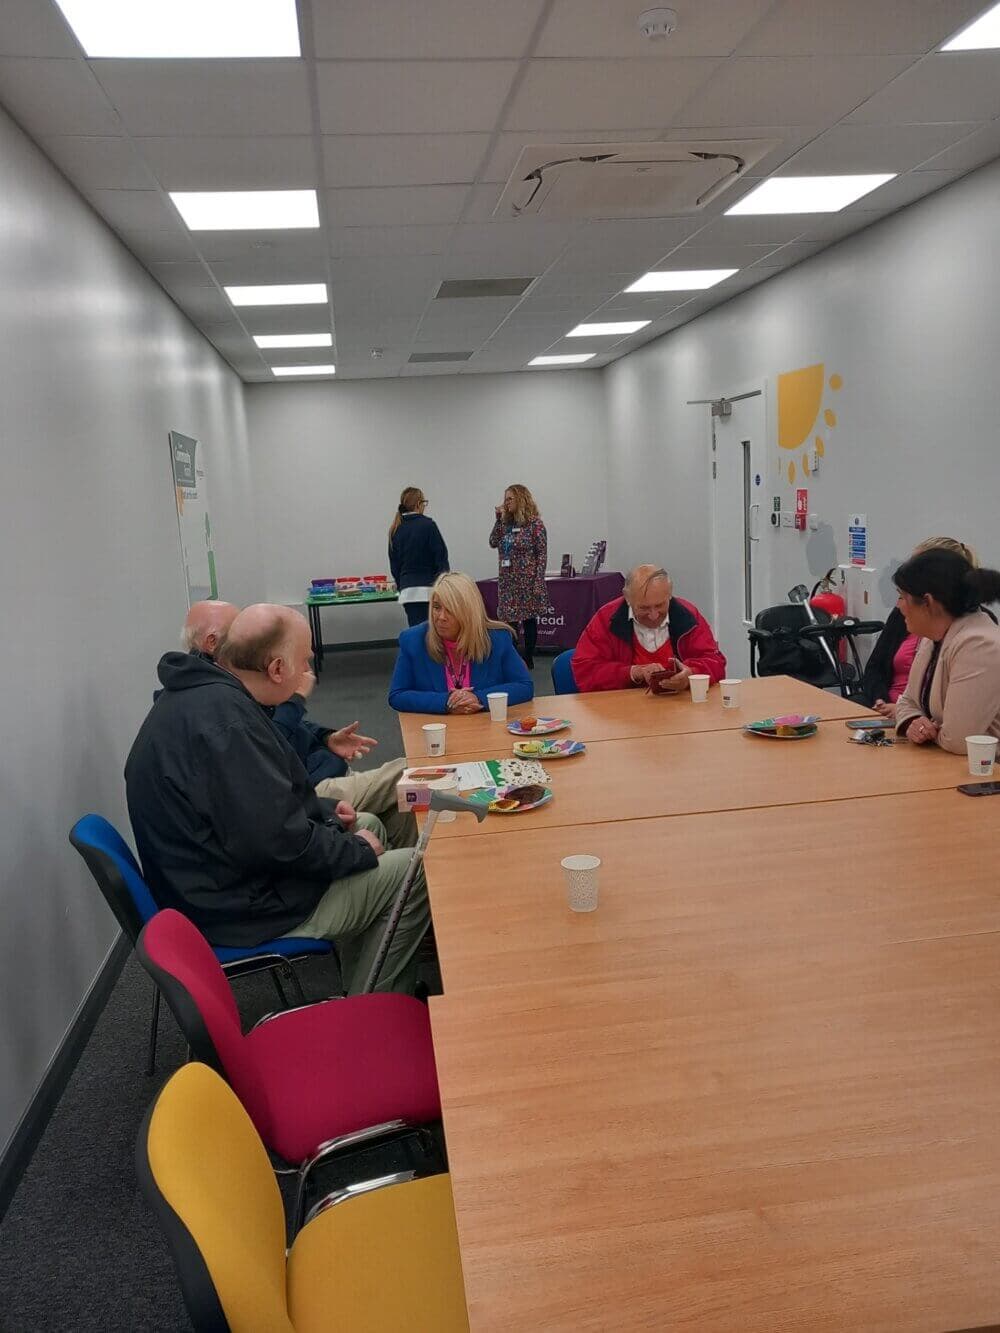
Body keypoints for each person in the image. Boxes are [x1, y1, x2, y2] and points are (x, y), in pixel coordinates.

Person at [126, 605, 430, 995]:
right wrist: (354, 849)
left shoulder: (208, 696)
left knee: (366, 824)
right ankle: (376, 1010)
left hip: (213, 884)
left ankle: (362, 985)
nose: (308, 669)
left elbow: (258, 812)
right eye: (304, 661)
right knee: (414, 869)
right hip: (238, 910)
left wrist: (325, 814)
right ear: (276, 669)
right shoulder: (229, 725)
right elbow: (275, 841)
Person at [182, 600, 415, 848]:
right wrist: (357, 850)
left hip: (311, 791)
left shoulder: (225, 694)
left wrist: (325, 737)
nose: (246, 640)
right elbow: (276, 831)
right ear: (212, 642)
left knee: (403, 805)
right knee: (411, 772)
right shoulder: (227, 713)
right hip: (308, 795)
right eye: (236, 631)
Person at [857, 537, 979, 720]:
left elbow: (947, 710)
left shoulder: (971, 637)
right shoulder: (909, 619)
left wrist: (904, 713)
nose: (900, 604)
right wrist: (881, 700)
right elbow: (876, 668)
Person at [892, 550, 1000, 754]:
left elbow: (959, 740)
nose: (899, 606)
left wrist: (930, 730)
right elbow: (906, 701)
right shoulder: (935, 635)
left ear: (928, 602)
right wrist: (914, 721)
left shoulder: (980, 645)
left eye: (902, 597)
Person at [389, 572, 533, 714]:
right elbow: (397, 695)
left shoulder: (497, 639)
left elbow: (524, 686)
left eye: (450, 610)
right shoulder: (413, 640)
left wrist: (478, 698)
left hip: (484, 725)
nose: (441, 617)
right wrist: (446, 701)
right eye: (437, 607)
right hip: (436, 726)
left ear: (469, 612)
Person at [572, 564, 726, 693]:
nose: (653, 615)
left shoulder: (688, 616)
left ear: (669, 595)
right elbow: (584, 671)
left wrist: (691, 675)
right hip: (622, 710)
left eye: (660, 605)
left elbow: (715, 662)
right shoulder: (606, 619)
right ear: (627, 598)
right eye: (644, 608)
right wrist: (633, 672)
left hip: (681, 708)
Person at [489, 484, 547, 668]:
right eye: (505, 499)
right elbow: (493, 542)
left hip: (527, 580)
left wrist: (538, 581)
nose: (506, 503)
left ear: (521, 499)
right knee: (509, 621)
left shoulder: (535, 524)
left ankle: (528, 658)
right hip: (507, 581)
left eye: (509, 499)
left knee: (529, 619)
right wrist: (498, 520)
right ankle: (514, 658)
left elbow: (541, 554)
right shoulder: (505, 524)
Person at [388, 486, 449, 627]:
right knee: (433, 632)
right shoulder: (428, 525)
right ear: (418, 504)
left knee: (416, 630)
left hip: (407, 591)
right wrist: (444, 586)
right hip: (428, 589)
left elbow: (394, 565)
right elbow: (441, 559)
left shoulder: (395, 529)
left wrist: (402, 585)